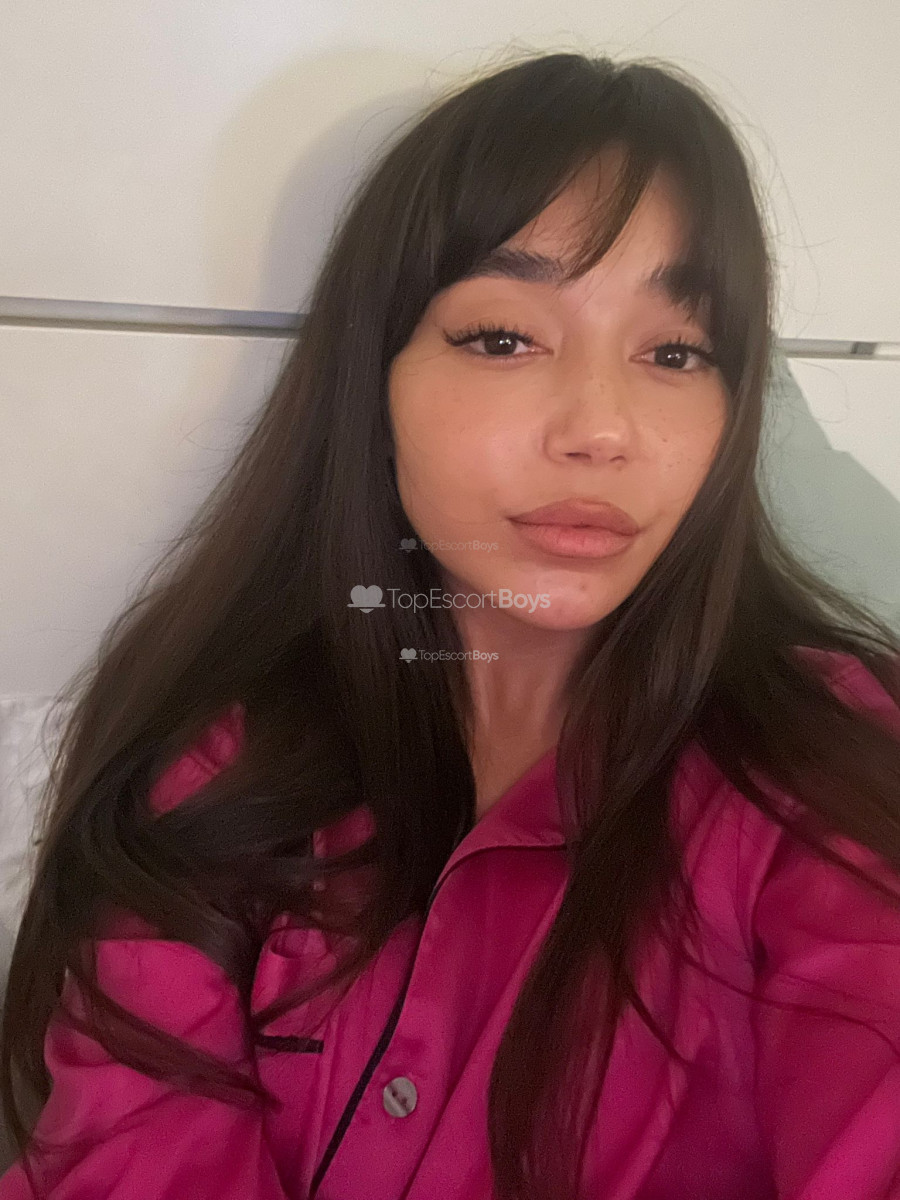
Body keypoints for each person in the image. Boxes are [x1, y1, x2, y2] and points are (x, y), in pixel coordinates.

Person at [2, 49, 900, 1200]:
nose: (602, 429)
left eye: (676, 352)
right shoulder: (221, 772)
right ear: (374, 384)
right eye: (504, 338)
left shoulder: (825, 773)